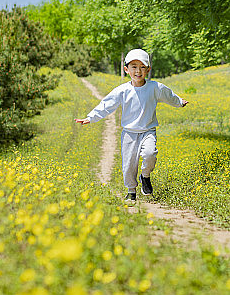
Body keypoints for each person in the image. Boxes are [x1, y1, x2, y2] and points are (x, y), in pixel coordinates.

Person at [76, 48, 188, 202]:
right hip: (129, 133)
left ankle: (145, 176)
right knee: (128, 163)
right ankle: (131, 191)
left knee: (150, 154)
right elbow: (107, 104)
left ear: (148, 69)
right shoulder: (122, 90)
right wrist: (91, 117)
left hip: (148, 130)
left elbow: (169, 95)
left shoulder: (155, 87)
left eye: (142, 67)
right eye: (134, 67)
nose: (138, 71)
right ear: (126, 69)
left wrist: (180, 102)